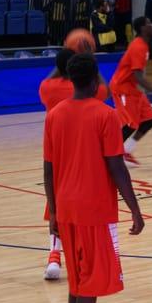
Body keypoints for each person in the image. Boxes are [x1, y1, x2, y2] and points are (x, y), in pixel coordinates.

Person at [43, 53, 145, 303]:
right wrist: (135, 210)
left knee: (77, 277)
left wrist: (53, 211)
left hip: (65, 207)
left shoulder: (55, 114)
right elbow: (117, 167)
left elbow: (47, 171)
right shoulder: (105, 114)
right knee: (92, 280)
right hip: (94, 210)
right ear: (94, 79)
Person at [38, 48, 109, 280]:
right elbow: (103, 90)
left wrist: (62, 64)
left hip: (57, 156)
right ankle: (81, 258)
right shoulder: (86, 90)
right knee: (83, 209)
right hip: (84, 156)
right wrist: (91, 63)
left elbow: (48, 80)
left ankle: (54, 256)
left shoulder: (47, 88)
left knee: (55, 208)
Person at [109, 16, 152, 168]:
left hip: (133, 89)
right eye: (149, 23)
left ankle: (126, 150)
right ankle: (109, 155)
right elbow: (137, 75)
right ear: (143, 28)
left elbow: (138, 75)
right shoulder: (138, 46)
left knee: (150, 120)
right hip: (122, 88)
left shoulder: (144, 45)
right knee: (130, 124)